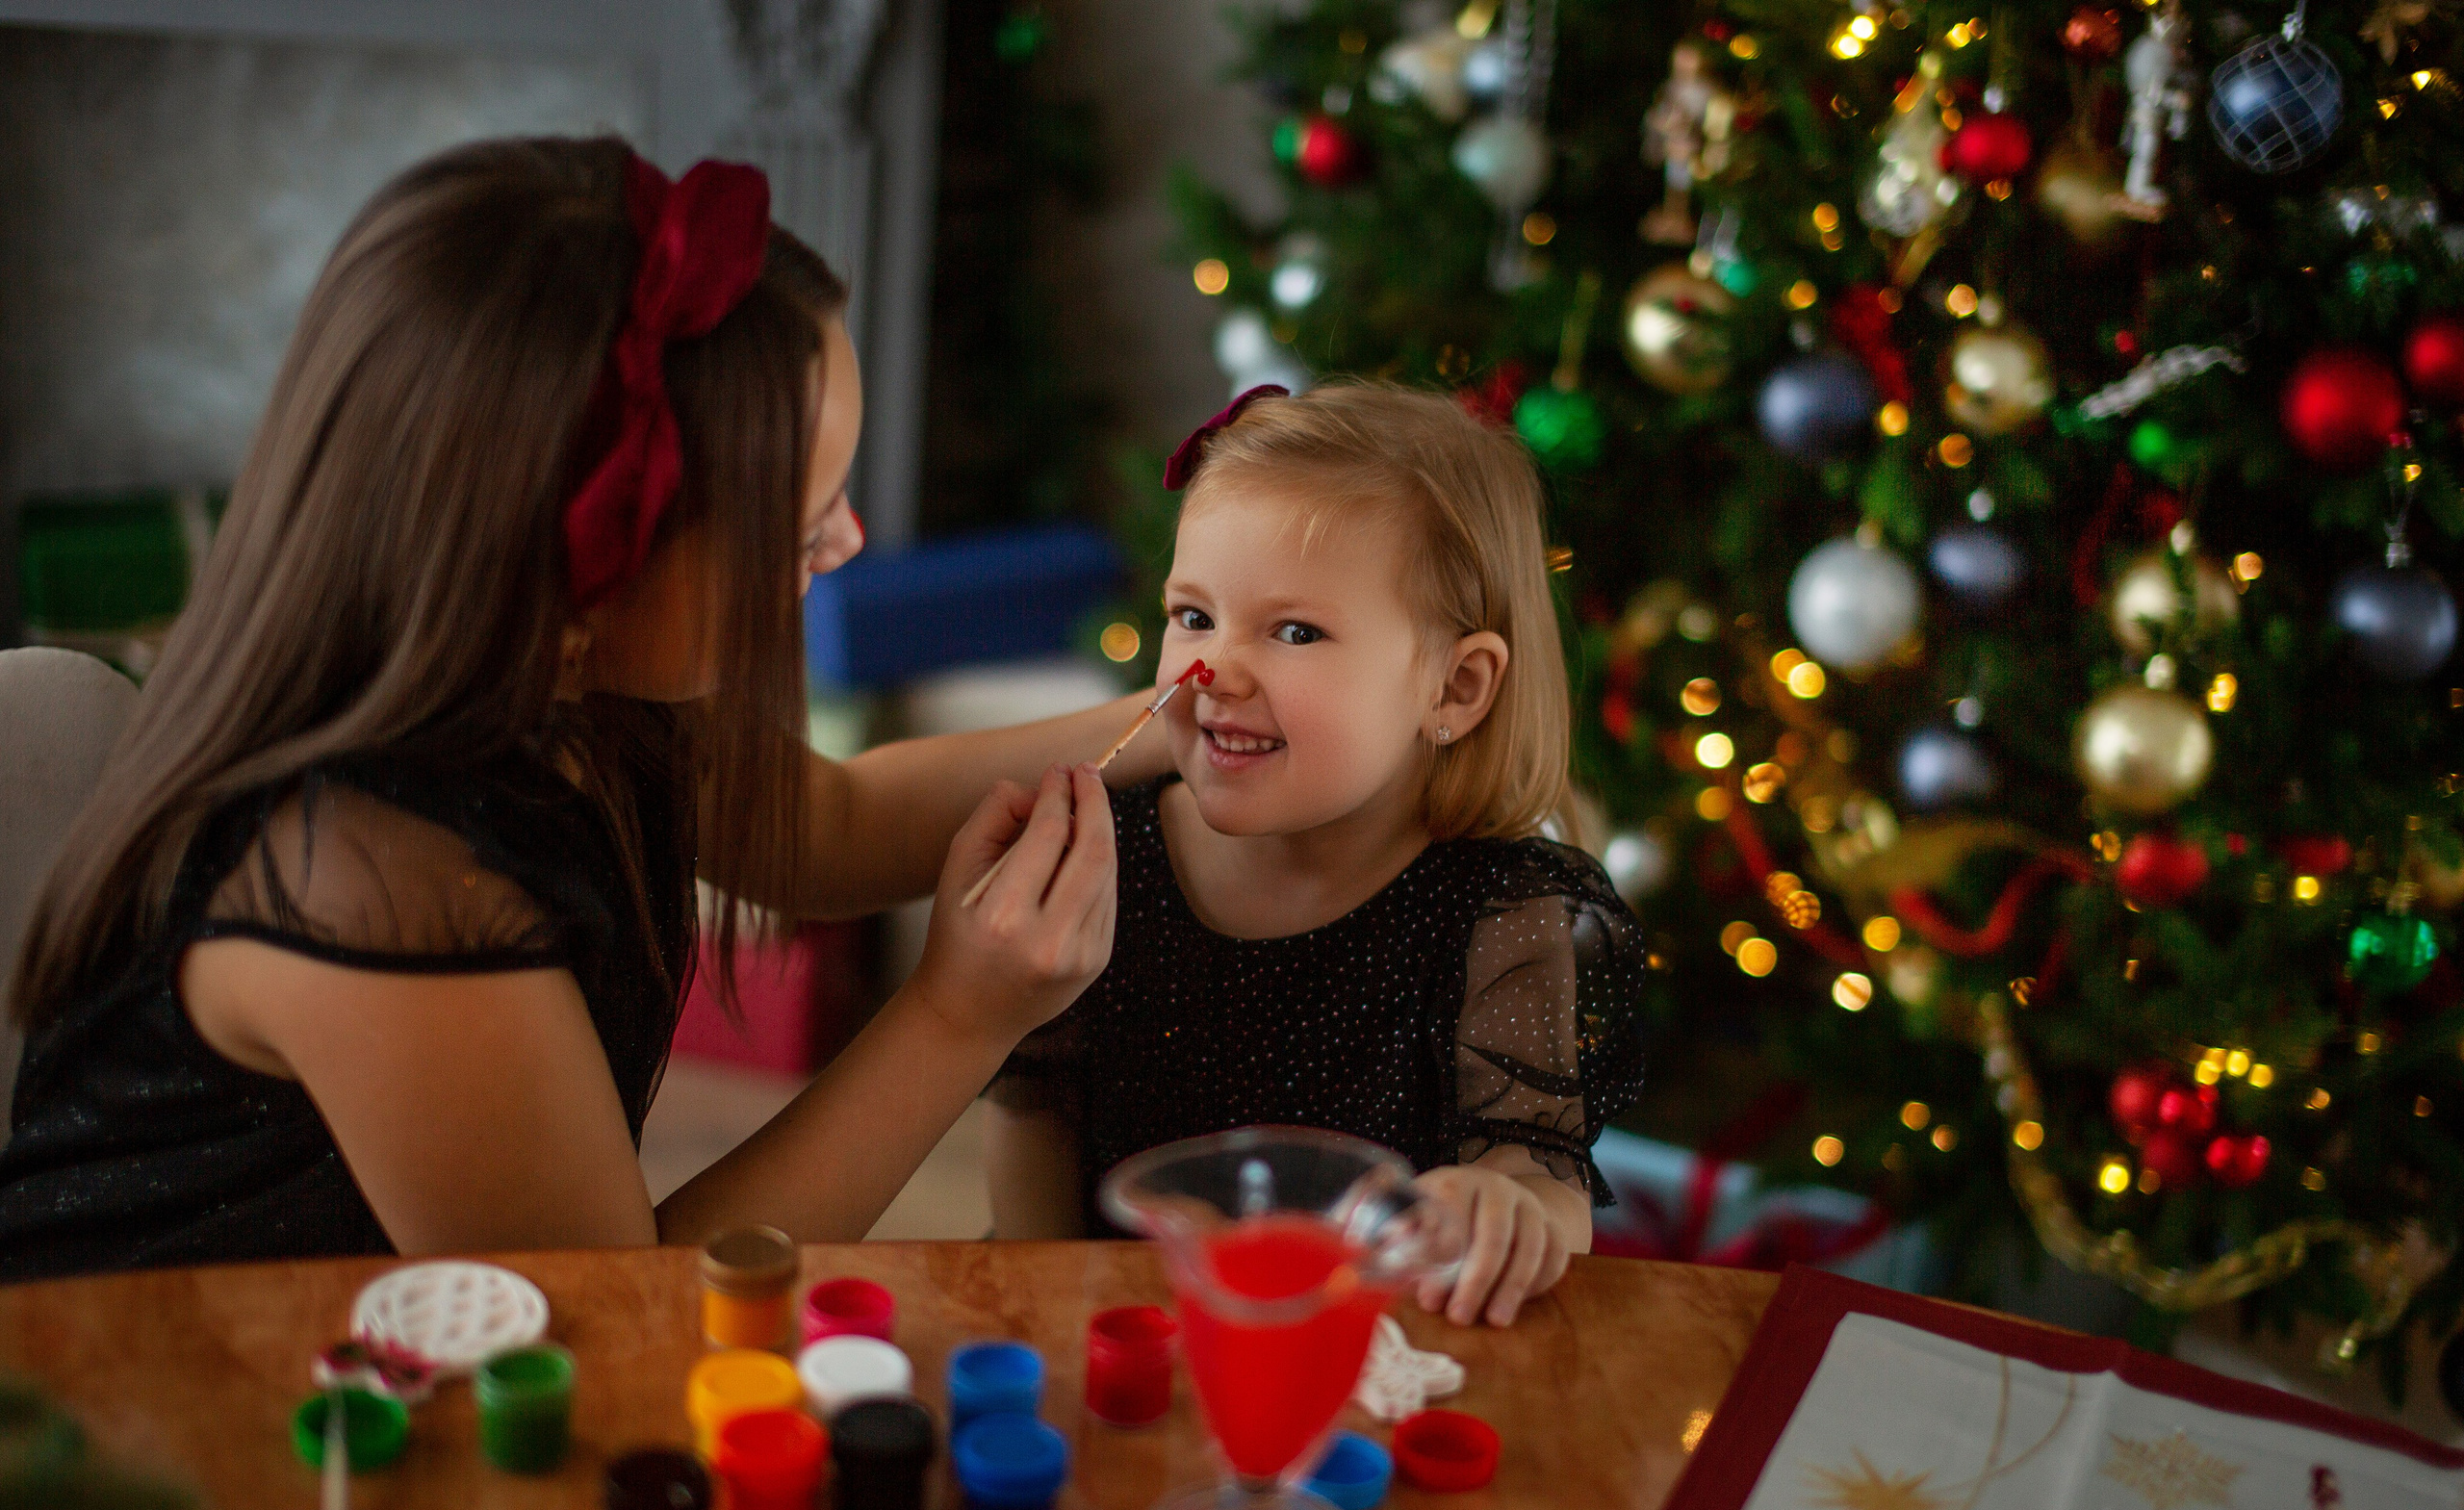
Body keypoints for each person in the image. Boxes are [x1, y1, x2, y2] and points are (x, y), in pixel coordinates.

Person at [0, 137, 1158, 1280]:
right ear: (578, 568)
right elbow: (613, 1301)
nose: (847, 541)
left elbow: (835, 821)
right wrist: (960, 1016)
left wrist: (1163, 725)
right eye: (796, 521)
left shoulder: (579, 682)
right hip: (144, 1414)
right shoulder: (370, 874)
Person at [986, 381, 1649, 1326]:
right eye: (1192, 616)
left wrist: (1510, 1209)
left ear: (1455, 687)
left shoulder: (1502, 914)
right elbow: (1032, 1113)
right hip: (1123, 1346)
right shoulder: (1107, 853)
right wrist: (1049, 1307)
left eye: (1294, 631)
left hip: (1361, 1370)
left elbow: (1536, 1172)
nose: (1211, 671)